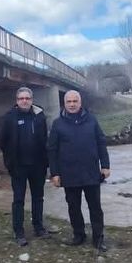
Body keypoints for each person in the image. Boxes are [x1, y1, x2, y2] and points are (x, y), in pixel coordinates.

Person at [47, 90, 110, 252]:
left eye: (75, 101)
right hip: (69, 174)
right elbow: (52, 150)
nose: (72, 104)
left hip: (91, 172)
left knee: (95, 207)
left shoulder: (92, 120)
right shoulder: (57, 124)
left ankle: (98, 238)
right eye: (69, 102)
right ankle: (78, 235)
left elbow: (101, 143)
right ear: (65, 104)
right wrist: (54, 173)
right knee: (73, 207)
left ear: (80, 103)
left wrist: (105, 165)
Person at [0, 86, 50, 246]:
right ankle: (19, 232)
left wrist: (46, 161)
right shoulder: (10, 117)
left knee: (38, 198)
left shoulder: (39, 116)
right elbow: (2, 142)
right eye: (21, 98)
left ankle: (38, 227)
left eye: (27, 98)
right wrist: (10, 161)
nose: (24, 101)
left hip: (38, 166)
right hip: (18, 166)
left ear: (31, 100)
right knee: (18, 199)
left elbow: (45, 140)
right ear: (17, 101)